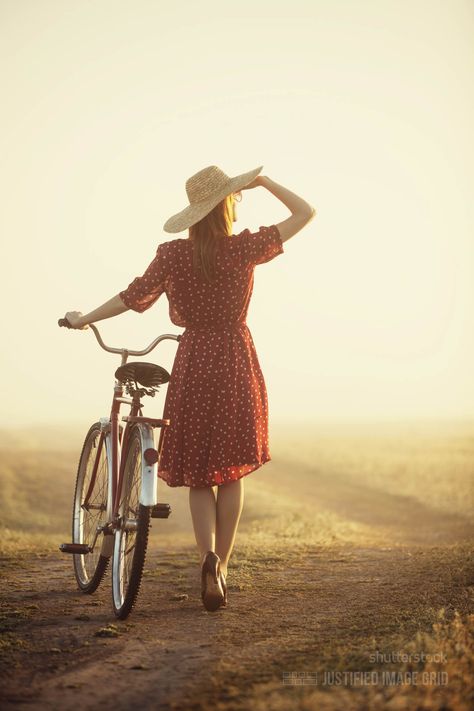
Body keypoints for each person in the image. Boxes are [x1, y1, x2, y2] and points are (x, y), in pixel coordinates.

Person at [63, 164, 316, 612]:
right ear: (228, 205)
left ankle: (207, 556)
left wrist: (85, 319)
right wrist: (266, 183)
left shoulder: (172, 255)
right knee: (231, 471)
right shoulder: (243, 248)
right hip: (235, 359)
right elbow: (305, 212)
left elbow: (131, 296)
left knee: (201, 473)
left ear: (194, 213)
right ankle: (221, 568)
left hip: (194, 360)